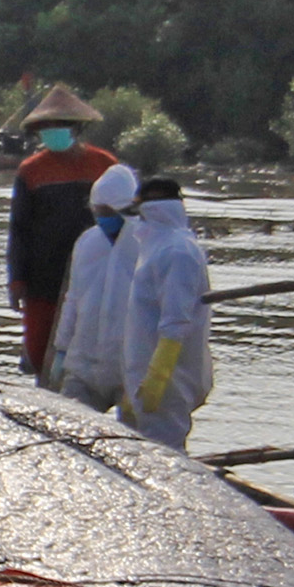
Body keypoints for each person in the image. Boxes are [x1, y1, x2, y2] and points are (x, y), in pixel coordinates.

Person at [4, 87, 120, 375]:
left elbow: (125, 218)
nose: (52, 131)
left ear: (76, 128)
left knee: (91, 350)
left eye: (60, 126)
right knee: (41, 350)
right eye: (47, 127)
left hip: (95, 274)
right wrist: (16, 280)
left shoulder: (104, 165)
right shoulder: (31, 171)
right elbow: (19, 229)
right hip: (43, 275)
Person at [108, 173, 211, 451]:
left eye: (142, 216)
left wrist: (157, 379)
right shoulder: (156, 249)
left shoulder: (178, 252)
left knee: (166, 455)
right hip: (142, 374)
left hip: (168, 381)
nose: (139, 225)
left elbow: (176, 322)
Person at [47, 163, 138, 406]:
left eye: (109, 212)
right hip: (84, 364)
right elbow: (73, 299)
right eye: (97, 211)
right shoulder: (88, 243)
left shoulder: (147, 245)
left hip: (130, 367)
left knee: (138, 439)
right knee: (68, 433)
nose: (103, 218)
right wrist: (62, 348)